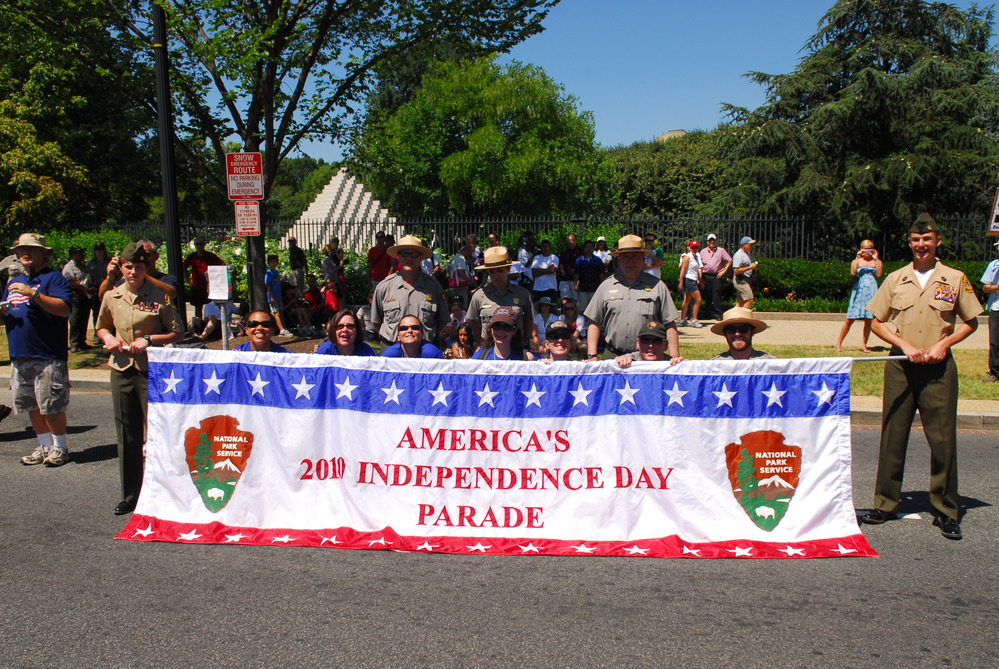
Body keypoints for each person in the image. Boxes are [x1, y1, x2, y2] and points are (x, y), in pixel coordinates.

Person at [862, 214, 982, 540]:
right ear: (910, 242)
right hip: (901, 366)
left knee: (942, 441)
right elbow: (876, 321)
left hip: (939, 370)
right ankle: (885, 503)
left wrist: (944, 343)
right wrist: (902, 344)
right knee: (892, 436)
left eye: (927, 239)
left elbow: (971, 321)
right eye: (916, 239)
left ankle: (945, 510)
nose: (921, 245)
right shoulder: (897, 278)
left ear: (937, 241)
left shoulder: (955, 278)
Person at [96, 242, 185, 514]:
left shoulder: (160, 296)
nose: (133, 271)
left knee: (160, 432)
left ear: (147, 268)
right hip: (122, 368)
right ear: (121, 267)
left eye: (139, 267)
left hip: (152, 370)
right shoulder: (112, 296)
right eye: (129, 266)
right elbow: (101, 326)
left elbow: (177, 332)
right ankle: (130, 494)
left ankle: (167, 492)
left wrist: (149, 339)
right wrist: (108, 338)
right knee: (127, 434)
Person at [2, 233, 73, 466]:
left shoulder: (53, 278)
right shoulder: (13, 282)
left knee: (50, 404)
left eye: (32, 249)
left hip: (47, 354)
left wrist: (33, 294)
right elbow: (7, 313)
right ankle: (43, 445)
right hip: (20, 353)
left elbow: (63, 309)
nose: (26, 253)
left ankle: (60, 447)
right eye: (22, 249)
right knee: (31, 404)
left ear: (44, 253)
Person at [584, 234, 681, 361]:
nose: (630, 261)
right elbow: (594, 322)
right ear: (618, 259)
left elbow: (669, 323)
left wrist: (674, 358)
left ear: (642, 258)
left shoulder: (657, 286)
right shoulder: (606, 286)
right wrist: (592, 355)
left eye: (635, 256)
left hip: (646, 357)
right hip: (613, 356)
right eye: (625, 257)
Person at [371, 235, 448, 344]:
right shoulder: (384, 287)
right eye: (404, 254)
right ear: (398, 257)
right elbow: (376, 321)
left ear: (420, 258)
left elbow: (442, 320)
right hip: (392, 347)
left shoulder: (433, 286)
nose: (409, 258)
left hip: (424, 349)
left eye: (414, 254)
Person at [466, 246, 535, 344]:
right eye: (492, 271)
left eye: (500, 270)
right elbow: (473, 323)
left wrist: (526, 341)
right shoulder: (479, 296)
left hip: (516, 350)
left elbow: (529, 320)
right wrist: (482, 344)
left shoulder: (523, 294)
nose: (496, 275)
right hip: (489, 351)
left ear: (508, 268)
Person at [835, 240, 884, 352]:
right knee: (850, 319)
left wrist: (876, 258)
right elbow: (853, 272)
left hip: (871, 289)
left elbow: (879, 273)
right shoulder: (857, 260)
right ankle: (838, 344)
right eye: (865, 248)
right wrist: (857, 257)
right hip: (859, 289)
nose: (867, 251)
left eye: (869, 249)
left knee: (868, 319)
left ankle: (864, 345)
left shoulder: (876, 261)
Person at [62, 245, 95, 352]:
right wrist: (86, 289)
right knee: (75, 319)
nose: (82, 255)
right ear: (73, 255)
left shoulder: (83, 266)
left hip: (85, 295)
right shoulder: (69, 267)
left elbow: (87, 277)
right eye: (79, 253)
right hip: (75, 295)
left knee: (84, 318)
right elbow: (72, 282)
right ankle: (74, 343)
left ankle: (82, 341)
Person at [182, 237, 224, 320]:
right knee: (198, 308)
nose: (199, 246)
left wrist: (215, 276)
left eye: (201, 244)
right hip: (196, 286)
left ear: (204, 245)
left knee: (211, 306)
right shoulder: (192, 256)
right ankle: (198, 326)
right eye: (197, 244)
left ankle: (211, 324)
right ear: (195, 245)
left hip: (210, 286)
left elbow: (222, 264)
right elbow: (183, 267)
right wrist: (187, 278)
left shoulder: (210, 256)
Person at [709, 307, 774, 359]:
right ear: (725, 333)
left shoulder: (771, 366)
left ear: (752, 331)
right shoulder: (713, 368)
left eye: (743, 329)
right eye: (731, 329)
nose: (737, 334)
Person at [614, 320, 678, 367]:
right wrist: (618, 362)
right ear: (638, 343)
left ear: (665, 345)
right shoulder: (627, 360)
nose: (651, 345)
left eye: (657, 341)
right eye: (645, 340)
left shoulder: (674, 365)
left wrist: (685, 365)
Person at [978, 239, 999, 383]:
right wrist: (997, 287)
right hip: (997, 308)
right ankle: (995, 372)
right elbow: (985, 287)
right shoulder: (993, 266)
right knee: (995, 342)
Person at [699, 233, 732, 321]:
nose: (712, 242)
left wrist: (724, 271)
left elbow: (729, 260)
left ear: (716, 241)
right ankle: (707, 312)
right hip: (706, 276)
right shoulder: (702, 252)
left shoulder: (721, 251)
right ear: (707, 242)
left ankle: (718, 313)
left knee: (716, 294)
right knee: (707, 295)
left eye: (713, 240)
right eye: (710, 240)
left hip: (716, 276)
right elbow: (700, 265)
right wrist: (701, 278)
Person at [86, 242, 111, 343]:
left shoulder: (109, 262)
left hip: (108, 289)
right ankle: (97, 335)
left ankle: (109, 333)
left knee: (109, 312)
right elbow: (87, 278)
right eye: (97, 250)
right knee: (96, 313)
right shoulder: (90, 263)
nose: (99, 252)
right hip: (96, 290)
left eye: (101, 249)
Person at [264, 254, 293, 337]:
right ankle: (281, 329)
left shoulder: (276, 272)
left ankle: (284, 327)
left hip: (278, 295)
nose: (274, 263)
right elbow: (267, 284)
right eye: (272, 262)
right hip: (273, 296)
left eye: (275, 262)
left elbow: (276, 282)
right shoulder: (268, 273)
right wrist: (271, 296)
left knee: (280, 312)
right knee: (276, 312)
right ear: (269, 263)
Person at [677, 240, 704, 328]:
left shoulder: (696, 256)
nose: (695, 249)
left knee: (687, 300)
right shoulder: (687, 257)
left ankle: (682, 320)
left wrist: (700, 279)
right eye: (693, 247)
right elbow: (682, 270)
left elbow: (698, 269)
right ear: (690, 248)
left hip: (693, 279)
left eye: (696, 247)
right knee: (698, 299)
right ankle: (694, 320)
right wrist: (681, 282)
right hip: (689, 280)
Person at [574, 240, 604, 314]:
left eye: (590, 247)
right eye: (587, 247)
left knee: (594, 309)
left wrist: (603, 285)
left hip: (594, 288)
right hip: (583, 288)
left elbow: (601, 274)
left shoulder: (598, 260)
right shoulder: (579, 260)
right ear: (584, 249)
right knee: (582, 309)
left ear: (594, 248)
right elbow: (576, 273)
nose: (589, 249)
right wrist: (575, 284)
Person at [732, 236, 759, 309]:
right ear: (744, 245)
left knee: (740, 302)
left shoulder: (747, 253)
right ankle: (743, 317)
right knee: (750, 299)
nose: (752, 246)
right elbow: (736, 270)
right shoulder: (738, 255)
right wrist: (750, 267)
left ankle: (733, 317)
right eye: (750, 244)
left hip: (746, 279)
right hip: (740, 280)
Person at [558, 233, 582, 300]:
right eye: (569, 240)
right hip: (565, 278)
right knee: (564, 297)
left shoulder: (580, 251)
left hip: (576, 279)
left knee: (576, 297)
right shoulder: (564, 250)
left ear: (575, 240)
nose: (570, 242)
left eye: (572, 240)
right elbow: (561, 262)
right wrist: (562, 270)